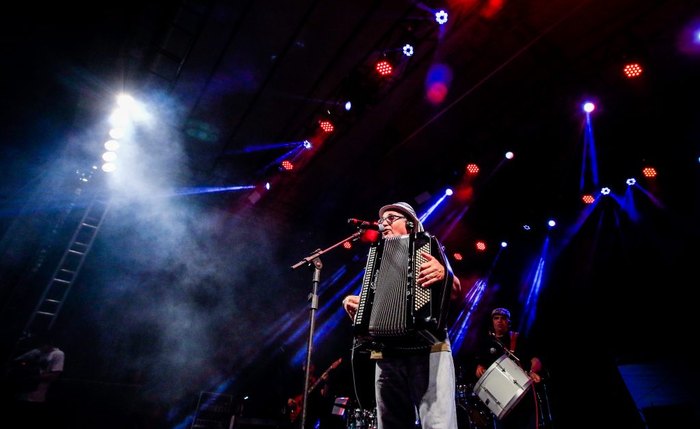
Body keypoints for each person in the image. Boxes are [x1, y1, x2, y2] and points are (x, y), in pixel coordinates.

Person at [342, 202, 462, 429]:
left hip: (428, 351)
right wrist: (357, 306)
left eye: (391, 218)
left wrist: (444, 273)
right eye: (381, 221)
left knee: (438, 424)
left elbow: (456, 291)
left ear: (410, 223)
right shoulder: (377, 256)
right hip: (387, 355)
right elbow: (375, 304)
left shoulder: (429, 246)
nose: (383, 224)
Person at [473, 308, 543, 429]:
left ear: (509, 322)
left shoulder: (518, 339)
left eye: (503, 318)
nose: (499, 321)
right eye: (496, 318)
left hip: (523, 397)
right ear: (492, 322)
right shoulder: (486, 343)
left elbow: (536, 360)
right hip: (501, 399)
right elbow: (479, 365)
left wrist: (532, 371)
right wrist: (479, 368)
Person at [9, 333, 65, 426]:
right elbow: (17, 361)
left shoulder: (58, 354)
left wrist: (32, 377)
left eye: (42, 344)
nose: (41, 347)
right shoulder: (36, 351)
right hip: (23, 391)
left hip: (37, 394)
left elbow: (55, 375)